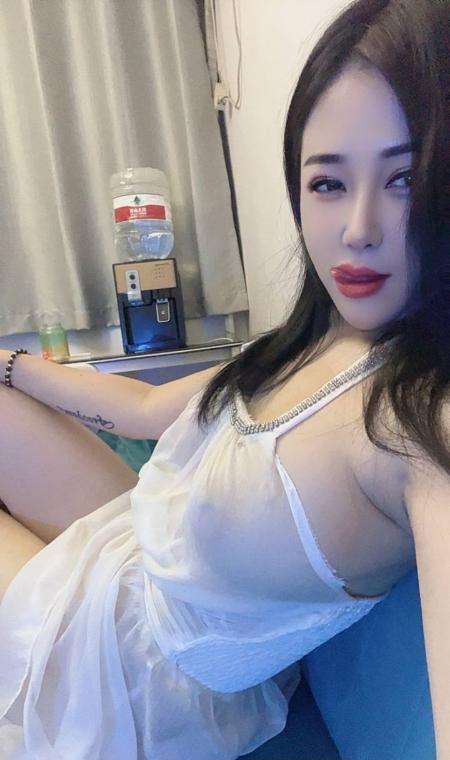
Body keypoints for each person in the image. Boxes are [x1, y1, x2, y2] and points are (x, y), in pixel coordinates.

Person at [0, 0, 449, 757]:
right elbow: (144, 407)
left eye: (404, 178)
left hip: (136, 674)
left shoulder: (422, 424)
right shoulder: (319, 332)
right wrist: (13, 365)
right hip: (133, 549)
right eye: (328, 183)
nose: (358, 229)